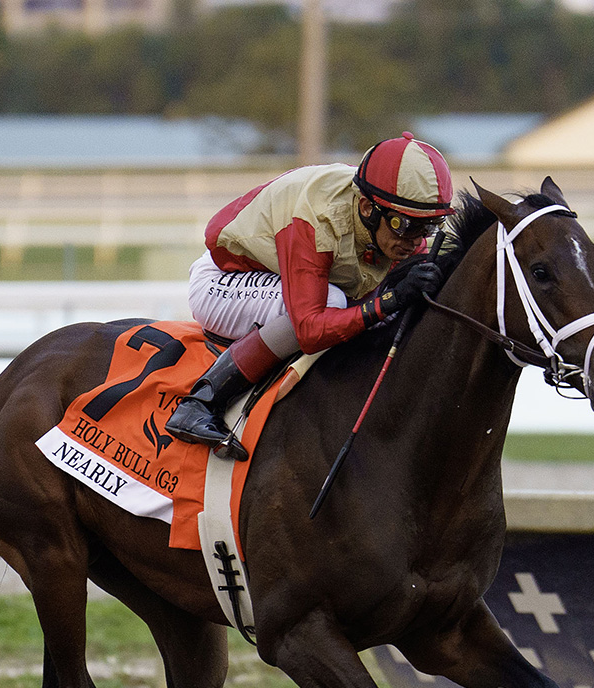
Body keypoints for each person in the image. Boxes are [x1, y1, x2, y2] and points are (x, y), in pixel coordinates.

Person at [165, 131, 453, 460]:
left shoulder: (392, 220)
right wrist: (386, 302)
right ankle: (201, 402)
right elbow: (310, 327)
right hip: (224, 281)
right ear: (367, 208)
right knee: (334, 302)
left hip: (278, 276)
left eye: (427, 227)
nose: (415, 240)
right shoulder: (317, 216)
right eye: (404, 225)